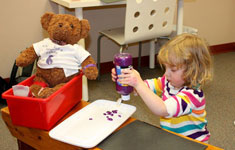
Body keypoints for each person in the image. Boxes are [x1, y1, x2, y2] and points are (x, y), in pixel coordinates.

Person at [111, 33, 213, 143]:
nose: (166, 74)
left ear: (192, 71)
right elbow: (144, 89)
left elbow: (162, 109)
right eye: (166, 68)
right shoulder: (167, 81)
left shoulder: (193, 95)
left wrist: (138, 83)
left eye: (173, 70)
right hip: (172, 138)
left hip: (192, 144)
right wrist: (127, 80)